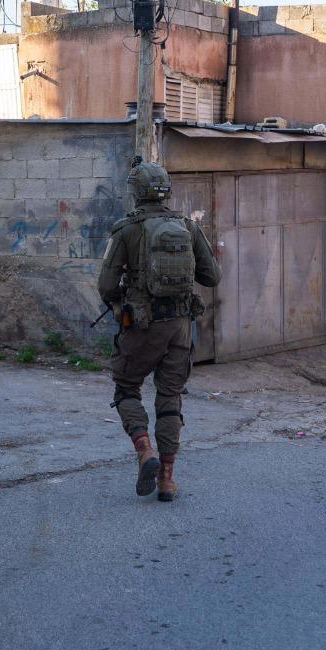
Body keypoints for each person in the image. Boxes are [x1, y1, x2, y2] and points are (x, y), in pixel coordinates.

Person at [97, 162, 221, 501]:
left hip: (141, 326)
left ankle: (144, 450)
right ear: (167, 191)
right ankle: (166, 478)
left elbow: (106, 286)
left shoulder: (126, 229)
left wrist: (124, 294)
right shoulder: (188, 227)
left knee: (126, 389)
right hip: (179, 327)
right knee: (170, 396)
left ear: (135, 192)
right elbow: (212, 277)